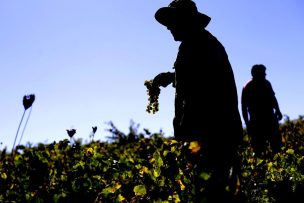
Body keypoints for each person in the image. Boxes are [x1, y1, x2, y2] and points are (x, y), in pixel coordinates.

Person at [151, 0, 244, 202]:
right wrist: (170, 78)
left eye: (171, 21)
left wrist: (189, 135)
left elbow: (202, 88)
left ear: (185, 21)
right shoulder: (199, 43)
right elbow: (195, 76)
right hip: (214, 135)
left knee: (214, 195)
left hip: (213, 136)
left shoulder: (199, 45)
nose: (168, 27)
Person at [241, 64, 283, 157]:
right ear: (255, 74)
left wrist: (278, 110)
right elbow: (244, 107)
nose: (265, 75)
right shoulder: (248, 87)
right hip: (256, 122)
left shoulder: (267, 84)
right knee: (259, 148)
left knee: (276, 145)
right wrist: (247, 123)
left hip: (270, 119)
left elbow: (273, 98)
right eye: (263, 73)